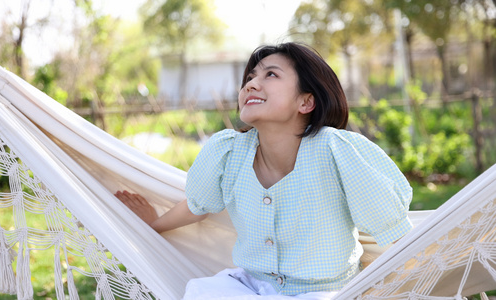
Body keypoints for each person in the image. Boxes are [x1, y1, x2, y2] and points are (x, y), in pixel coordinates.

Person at [115, 42, 413, 299]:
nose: (251, 84)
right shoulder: (230, 153)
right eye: (250, 77)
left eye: (271, 74)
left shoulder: (334, 150)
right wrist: (151, 226)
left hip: (324, 292)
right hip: (251, 288)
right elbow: (197, 207)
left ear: (306, 101)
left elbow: (390, 225)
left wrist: (427, 268)